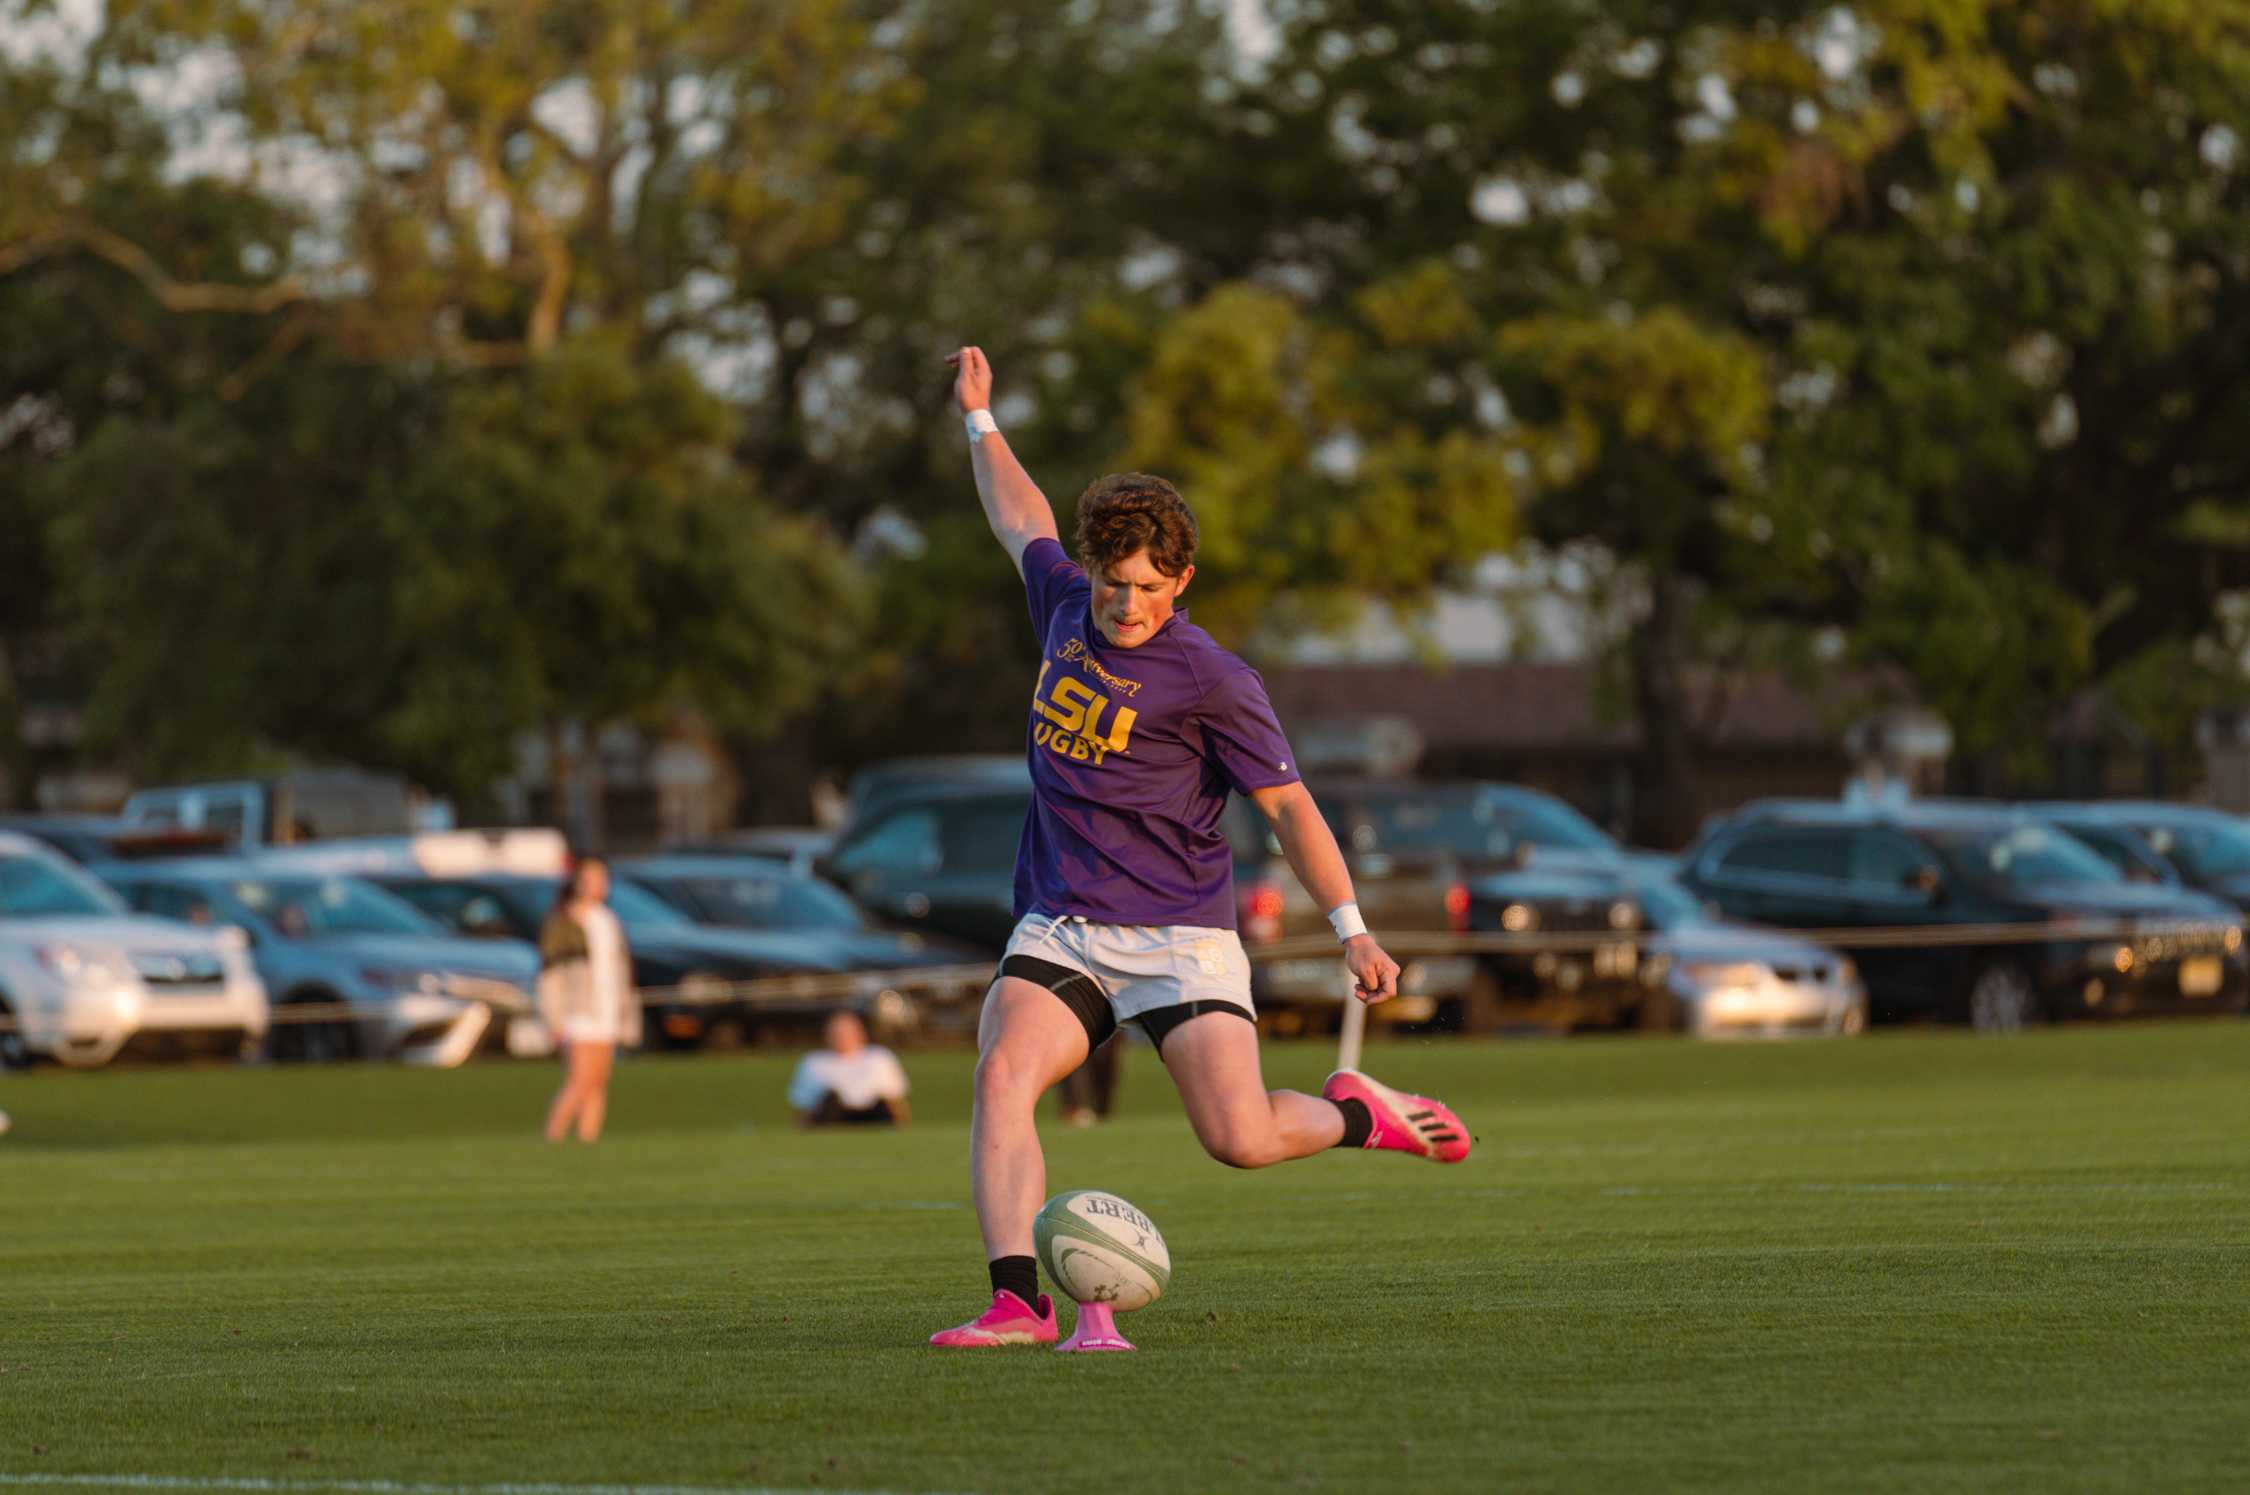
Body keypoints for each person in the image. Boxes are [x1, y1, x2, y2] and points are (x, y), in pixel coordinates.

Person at [929, 346, 1473, 1349]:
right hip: (1063, 927)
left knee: (1241, 1137)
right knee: (1003, 1072)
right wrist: (979, 418)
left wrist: (1351, 928)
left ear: (1181, 579)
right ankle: (1018, 1300)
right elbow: (1020, 519)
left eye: (1145, 586)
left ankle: (1358, 1112)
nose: (1124, 604)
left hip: (1181, 936)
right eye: (1110, 582)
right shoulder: (1064, 607)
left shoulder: (1215, 678)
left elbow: (1292, 808)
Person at [537, 857, 639, 1143]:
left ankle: (588, 1140)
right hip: (577, 1009)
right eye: (593, 878)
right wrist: (553, 1016)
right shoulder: (563, 922)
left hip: (607, 1007)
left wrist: (625, 1007)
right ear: (578, 882)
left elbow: (620, 968)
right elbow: (551, 974)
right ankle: (552, 1137)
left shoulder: (608, 920)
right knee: (579, 1079)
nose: (599, 884)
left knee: (598, 1081)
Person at [788, 1009, 912, 1127]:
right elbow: (804, 1107)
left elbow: (894, 1100)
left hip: (872, 1114)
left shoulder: (879, 1057)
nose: (842, 1038)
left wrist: (901, 1123)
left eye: (847, 1033)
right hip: (834, 1116)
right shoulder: (813, 1062)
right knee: (831, 1099)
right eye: (837, 1033)